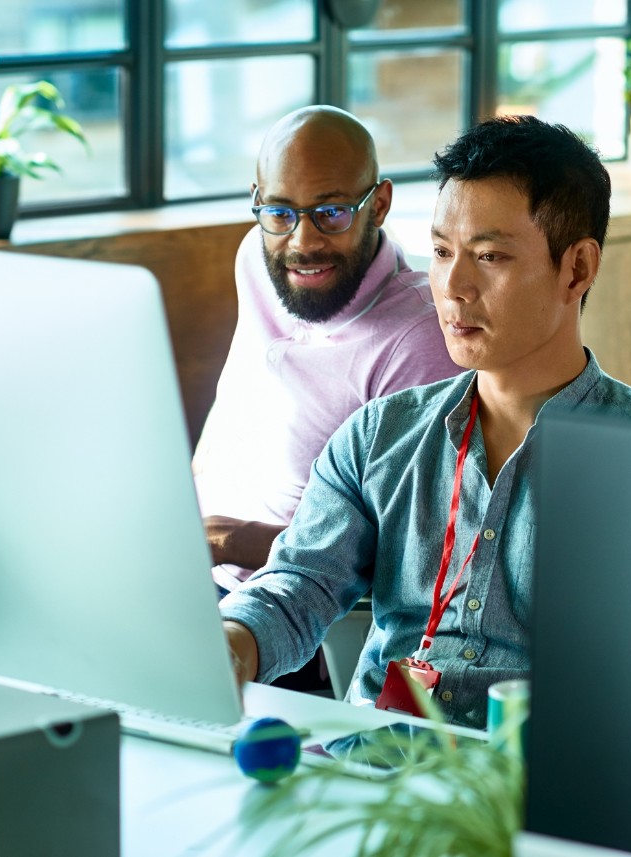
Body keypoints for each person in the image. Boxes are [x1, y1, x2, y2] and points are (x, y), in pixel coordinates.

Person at [219, 115, 631, 730]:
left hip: (538, 792)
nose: (453, 286)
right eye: (442, 252)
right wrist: (232, 641)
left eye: (490, 256)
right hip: (377, 769)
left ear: (576, 269)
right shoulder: (378, 437)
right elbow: (300, 584)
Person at [192, 105, 460, 594]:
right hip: (192, 567)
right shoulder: (256, 256)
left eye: (330, 212)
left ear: (378, 205)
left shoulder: (419, 338)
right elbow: (233, 404)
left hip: (294, 611)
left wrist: (229, 540)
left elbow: (409, 553)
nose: (302, 241)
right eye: (279, 212)